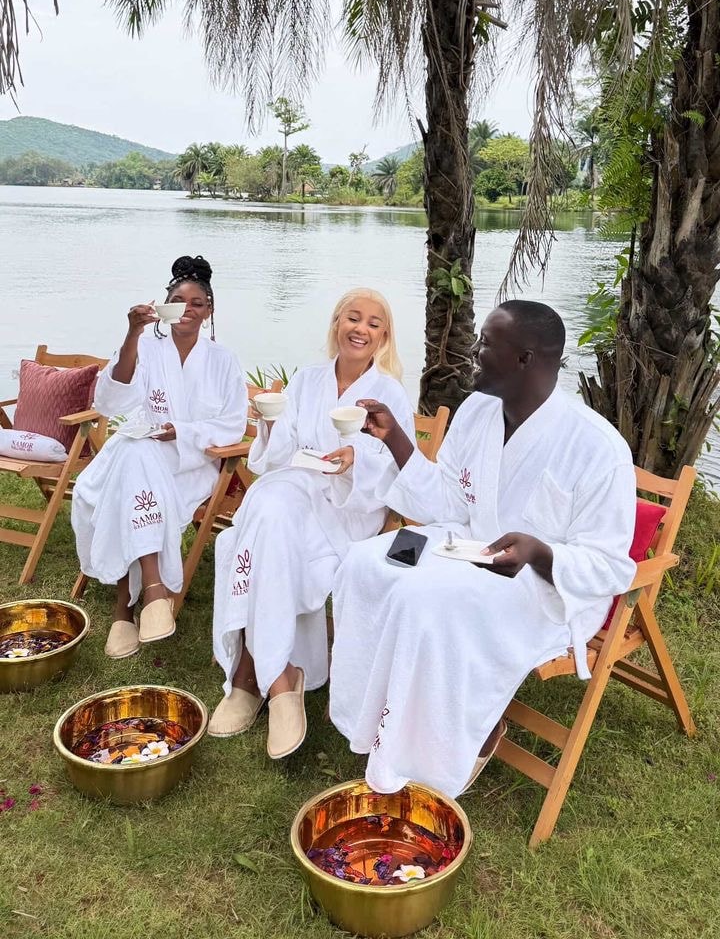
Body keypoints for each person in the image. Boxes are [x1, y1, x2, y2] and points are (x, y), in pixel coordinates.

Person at [329, 300, 636, 799]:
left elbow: (609, 566)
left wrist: (539, 552)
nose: (473, 351)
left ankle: (444, 745)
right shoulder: (477, 410)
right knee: (364, 564)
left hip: (544, 584)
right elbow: (449, 503)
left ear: (525, 358)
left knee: (422, 600)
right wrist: (396, 440)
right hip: (466, 545)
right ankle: (374, 720)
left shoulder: (597, 447)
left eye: (486, 343)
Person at [210, 287, 415, 760]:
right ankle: (280, 678)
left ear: (384, 337)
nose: (361, 329)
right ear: (337, 323)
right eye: (353, 318)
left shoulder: (389, 393)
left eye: (374, 323)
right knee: (271, 511)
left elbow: (394, 466)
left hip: (349, 509)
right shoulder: (307, 379)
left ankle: (249, 677)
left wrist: (355, 461)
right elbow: (279, 453)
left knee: (256, 522)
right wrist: (268, 421)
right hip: (295, 492)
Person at [72, 255, 248, 657]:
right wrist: (133, 333)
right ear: (162, 307)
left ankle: (124, 609)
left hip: (190, 461)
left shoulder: (223, 360)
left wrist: (182, 431)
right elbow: (111, 401)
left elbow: (232, 424)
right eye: (178, 301)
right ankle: (153, 590)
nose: (188, 309)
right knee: (137, 453)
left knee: (131, 465)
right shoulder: (147, 347)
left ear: (209, 311)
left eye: (197, 303)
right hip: (140, 448)